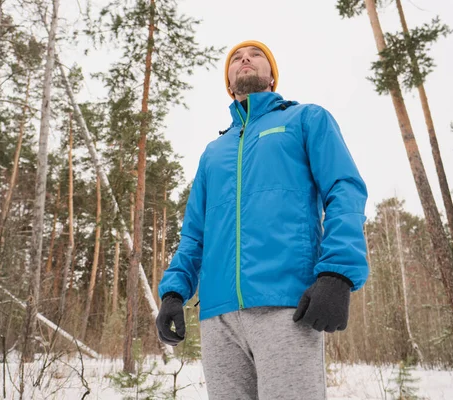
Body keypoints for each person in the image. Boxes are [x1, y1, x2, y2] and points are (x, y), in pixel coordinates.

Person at [156, 40, 369, 400]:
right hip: (218, 318)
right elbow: (194, 234)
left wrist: (337, 274)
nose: (245, 59)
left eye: (255, 55)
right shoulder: (213, 153)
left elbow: (344, 189)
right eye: (236, 58)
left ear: (272, 77)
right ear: (229, 82)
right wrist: (174, 292)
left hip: (286, 306)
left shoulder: (305, 119)